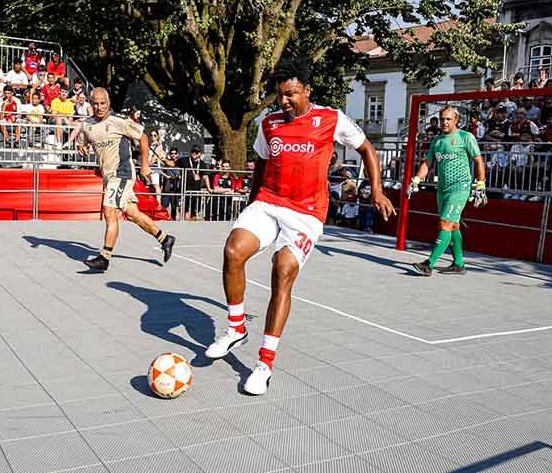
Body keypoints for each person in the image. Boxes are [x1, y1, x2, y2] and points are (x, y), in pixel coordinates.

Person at [203, 61, 395, 395]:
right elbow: (262, 164)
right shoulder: (269, 123)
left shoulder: (331, 119)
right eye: (280, 96)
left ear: (307, 90)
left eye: (291, 95)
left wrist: (376, 190)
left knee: (282, 271)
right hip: (268, 202)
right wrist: (251, 204)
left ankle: (264, 365)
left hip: (305, 214)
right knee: (233, 250)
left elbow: (367, 149)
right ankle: (236, 328)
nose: (284, 102)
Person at [74, 88, 176, 271]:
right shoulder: (87, 124)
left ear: (109, 103)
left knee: (109, 211)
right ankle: (164, 238)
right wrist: (81, 148)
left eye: (102, 103)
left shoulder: (119, 122)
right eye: (95, 104)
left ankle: (104, 257)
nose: (99, 107)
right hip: (108, 176)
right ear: (91, 104)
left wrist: (144, 165)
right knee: (132, 214)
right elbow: (84, 143)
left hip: (122, 173)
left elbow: (143, 138)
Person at [408, 107, 488, 275]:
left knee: (444, 223)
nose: (444, 122)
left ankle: (428, 264)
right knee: (453, 226)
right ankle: (458, 264)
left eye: (448, 119)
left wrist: (480, 184)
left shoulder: (465, 137)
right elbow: (427, 163)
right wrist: (416, 179)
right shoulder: (437, 141)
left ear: (456, 120)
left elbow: (479, 161)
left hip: (460, 187)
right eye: (442, 119)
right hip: (442, 189)